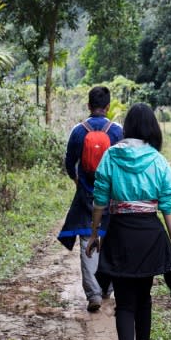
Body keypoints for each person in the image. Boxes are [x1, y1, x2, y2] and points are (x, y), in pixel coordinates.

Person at [86, 103, 171, 340]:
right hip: (149, 234)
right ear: (151, 127)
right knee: (145, 298)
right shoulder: (158, 160)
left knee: (124, 301)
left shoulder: (111, 157)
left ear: (127, 127)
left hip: (121, 233)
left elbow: (100, 200)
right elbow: (167, 207)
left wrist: (94, 234)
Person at [57, 86, 123, 312]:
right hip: (113, 195)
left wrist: (77, 181)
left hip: (86, 194)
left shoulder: (78, 130)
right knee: (111, 240)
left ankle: (93, 294)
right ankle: (108, 288)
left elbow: (68, 162)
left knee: (88, 241)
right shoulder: (117, 131)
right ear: (108, 107)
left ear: (88, 106)